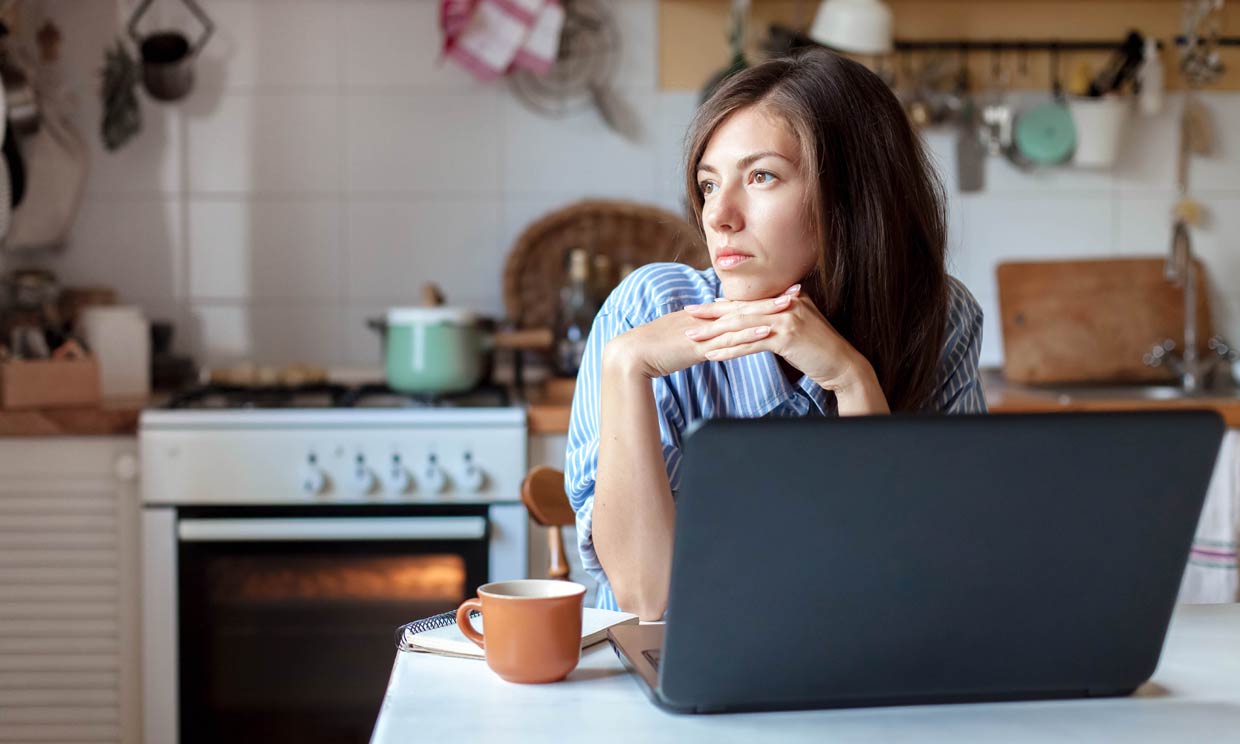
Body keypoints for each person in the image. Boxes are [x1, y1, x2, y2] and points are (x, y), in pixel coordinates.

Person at [565, 48, 986, 621]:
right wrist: (625, 364)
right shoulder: (650, 307)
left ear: (853, 197)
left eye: (761, 176)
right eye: (709, 184)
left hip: (853, 669)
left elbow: (914, 568)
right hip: (666, 676)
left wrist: (852, 380)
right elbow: (648, 597)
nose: (719, 216)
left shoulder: (939, 315)